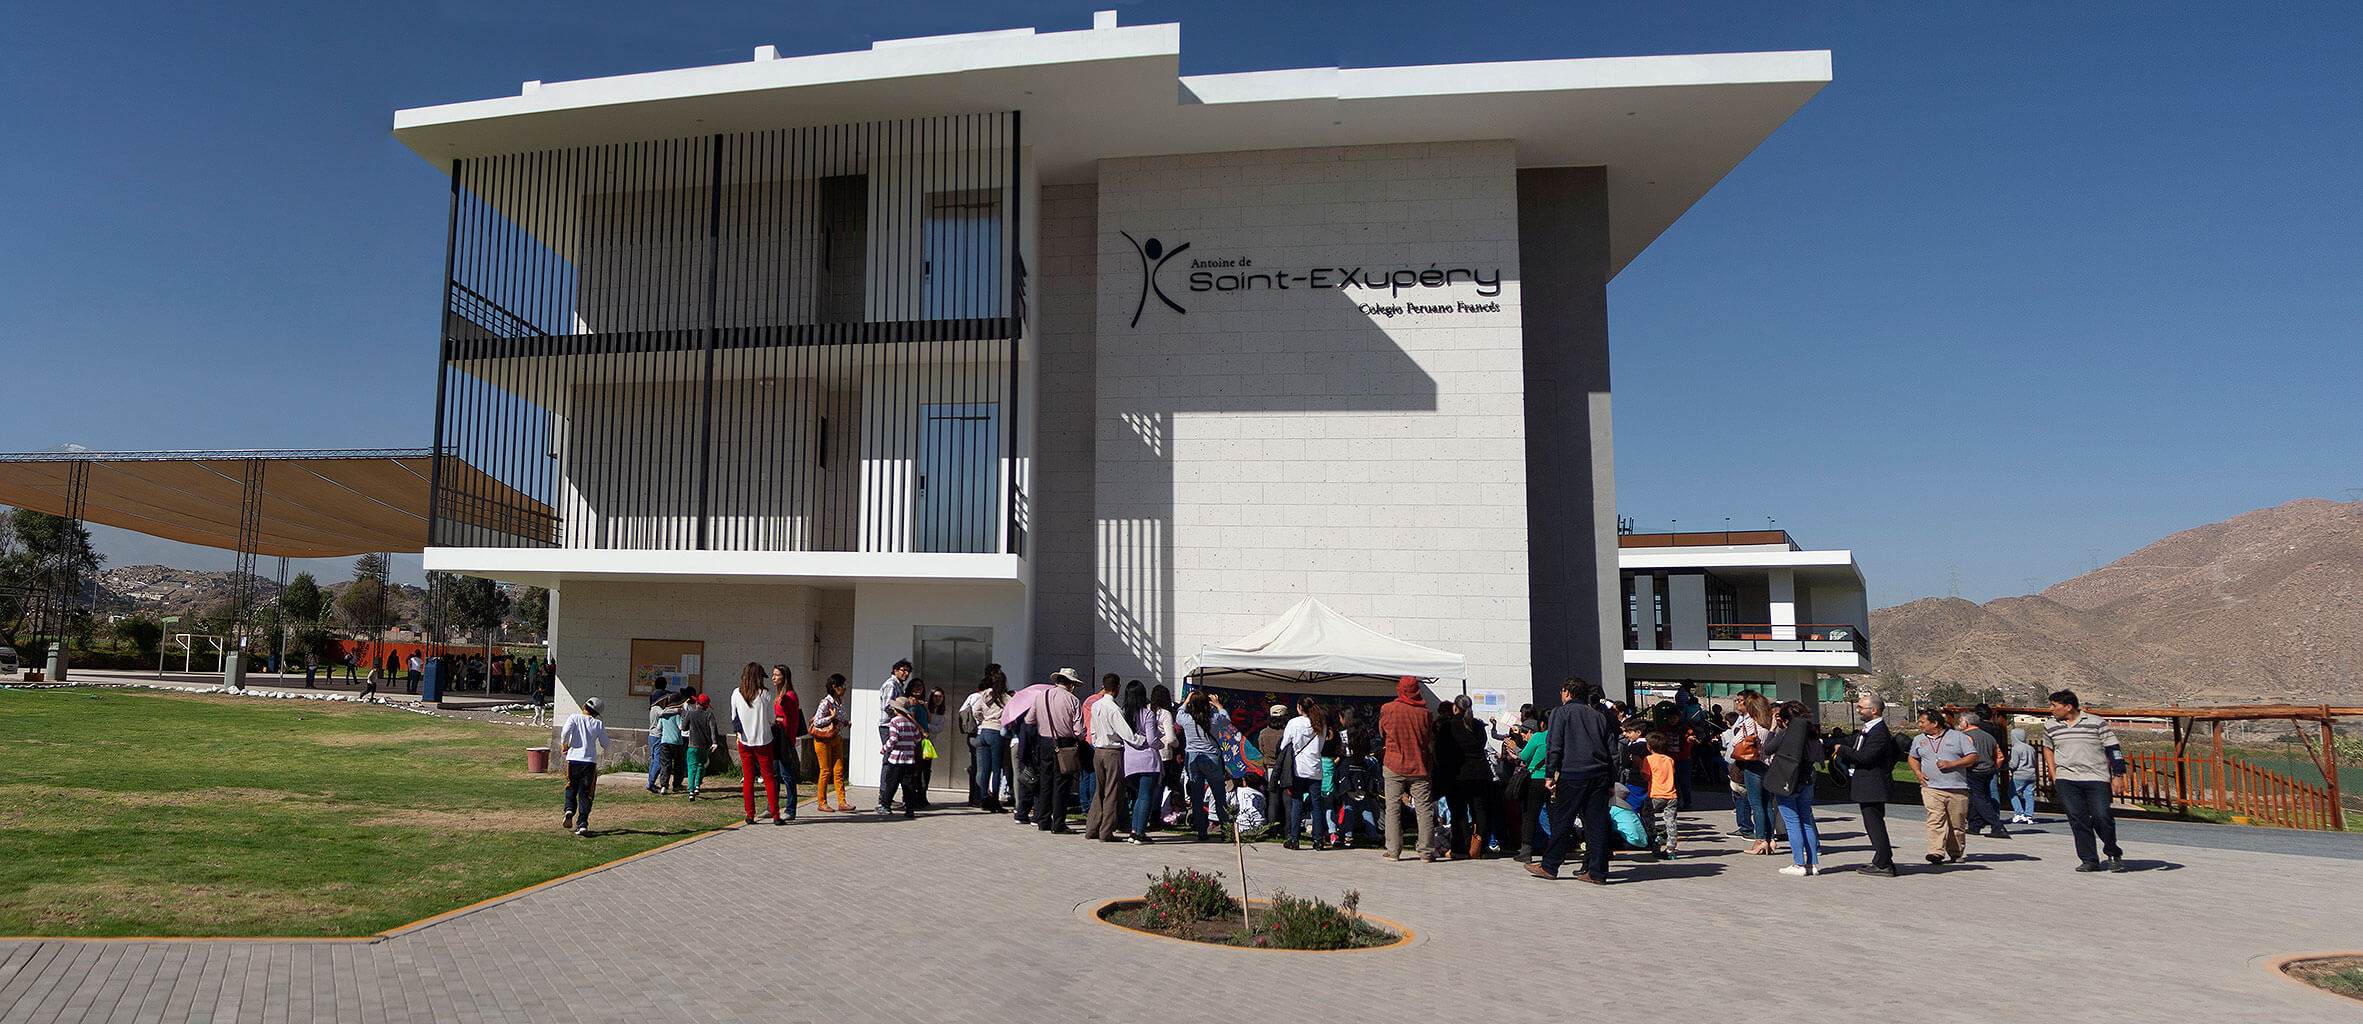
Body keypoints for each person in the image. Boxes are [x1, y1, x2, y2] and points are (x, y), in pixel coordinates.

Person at [1526, 678, 1618, 884]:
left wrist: (1550, 774)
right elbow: (1612, 752)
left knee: (1562, 820)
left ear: (1567, 692)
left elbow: (1555, 745)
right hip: (1600, 775)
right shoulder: (1598, 716)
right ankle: (1597, 872)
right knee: (1597, 824)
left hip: (1573, 774)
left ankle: (1550, 866)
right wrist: (1612, 781)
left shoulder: (1561, 712)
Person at [2042, 689, 2130, 873]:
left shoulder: (2096, 723)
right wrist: (2054, 773)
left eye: (2054, 706)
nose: (2051, 709)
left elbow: (2113, 750)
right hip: (2067, 779)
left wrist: (2118, 775)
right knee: (2077, 818)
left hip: (2096, 778)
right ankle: (2089, 859)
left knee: (2101, 815)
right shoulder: (2050, 726)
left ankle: (2112, 851)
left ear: (2068, 707)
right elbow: (2048, 749)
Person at [1831, 693, 1902, 876]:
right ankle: (1881, 860)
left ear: (1874, 710)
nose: (1858, 710)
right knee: (1872, 824)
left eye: (1861, 707)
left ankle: (1884, 862)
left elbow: (1865, 757)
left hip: (1873, 786)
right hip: (1866, 785)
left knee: (1875, 824)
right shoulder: (1868, 729)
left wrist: (1843, 750)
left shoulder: (1879, 732)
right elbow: (1853, 742)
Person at [1376, 677, 1438, 862]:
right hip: (1419, 765)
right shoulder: (1425, 714)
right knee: (1424, 808)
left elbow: (1382, 733)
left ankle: (1393, 851)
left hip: (1394, 763)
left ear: (1400, 690)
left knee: (1392, 808)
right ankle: (1426, 852)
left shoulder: (1388, 709)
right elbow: (1429, 738)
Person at [1909, 708, 1978, 865]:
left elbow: (1973, 757)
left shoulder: (1958, 737)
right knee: (1935, 819)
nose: (1920, 725)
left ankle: (1956, 852)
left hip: (1957, 788)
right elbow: (1912, 757)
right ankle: (1936, 852)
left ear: (1935, 723)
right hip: (1931, 788)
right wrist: (1918, 773)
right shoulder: (1919, 739)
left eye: (1922, 722)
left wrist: (1952, 764)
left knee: (1957, 823)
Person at [1763, 700, 1823, 876]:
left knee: (1792, 822)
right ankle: (1812, 863)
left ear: (1786, 719)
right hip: (1806, 780)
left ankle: (1798, 864)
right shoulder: (1811, 732)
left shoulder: (1786, 733)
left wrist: (1774, 729)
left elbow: (1768, 749)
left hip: (1788, 780)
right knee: (1806, 820)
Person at [1084, 678, 1148, 842]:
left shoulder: (1096, 705)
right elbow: (1126, 734)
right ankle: (1106, 831)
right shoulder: (1114, 709)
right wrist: (1142, 740)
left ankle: (1092, 828)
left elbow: (1093, 730)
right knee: (1112, 792)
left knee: (1099, 790)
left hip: (1098, 750)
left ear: (1103, 687)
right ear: (1118, 687)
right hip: (1113, 751)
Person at [1437, 695, 1495, 859]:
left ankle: (1460, 848)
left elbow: (1440, 752)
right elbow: (1482, 744)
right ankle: (1480, 848)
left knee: (1458, 812)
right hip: (1481, 773)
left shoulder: (1449, 726)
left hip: (1458, 775)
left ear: (1455, 707)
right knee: (1480, 812)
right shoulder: (1477, 725)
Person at [1030, 668, 1086, 833]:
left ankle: (1043, 819)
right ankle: (1059, 822)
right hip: (1065, 743)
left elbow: (1030, 719)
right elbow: (1079, 731)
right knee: (1062, 783)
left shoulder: (1041, 696)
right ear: (1070, 684)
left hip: (1044, 741)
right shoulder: (1073, 700)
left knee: (1046, 782)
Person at [730, 663, 785, 826]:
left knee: (748, 778)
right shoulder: (766, 694)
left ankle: (750, 814)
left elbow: (734, 716)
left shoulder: (736, 693)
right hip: (764, 740)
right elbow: (771, 719)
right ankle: (776, 815)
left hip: (745, 741)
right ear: (759, 677)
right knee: (769, 778)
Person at [1725, 691, 1779, 856]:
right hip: (1769, 765)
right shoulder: (1770, 723)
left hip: (1753, 764)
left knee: (1756, 804)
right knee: (1767, 804)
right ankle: (1770, 839)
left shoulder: (1751, 723)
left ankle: (1760, 839)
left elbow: (1735, 742)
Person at [1176, 689, 1235, 841]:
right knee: (1220, 796)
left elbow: (1178, 715)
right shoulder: (1213, 718)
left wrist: (1187, 701)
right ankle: (1226, 832)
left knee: (1196, 796)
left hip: (1193, 758)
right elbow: (1227, 719)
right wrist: (1218, 704)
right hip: (1211, 758)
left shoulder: (1187, 719)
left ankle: (1202, 831)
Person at [1278, 697, 1332, 851]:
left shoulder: (1294, 723)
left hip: (1298, 768)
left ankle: (1294, 839)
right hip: (1315, 768)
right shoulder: (1321, 724)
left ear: (1300, 707)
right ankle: (1318, 840)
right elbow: (1320, 746)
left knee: (1297, 802)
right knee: (1316, 804)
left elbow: (1284, 744)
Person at [1123, 682, 1168, 844]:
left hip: (1129, 761)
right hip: (1148, 761)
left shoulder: (1123, 714)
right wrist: (1160, 744)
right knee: (1145, 797)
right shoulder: (1147, 714)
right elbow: (1151, 739)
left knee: (1138, 798)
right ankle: (1140, 832)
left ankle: (1134, 830)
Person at [558, 696, 607, 837]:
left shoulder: (574, 718)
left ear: (584, 706)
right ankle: (582, 823)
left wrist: (565, 745)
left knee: (571, 785)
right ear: (597, 714)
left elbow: (565, 732)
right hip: (589, 762)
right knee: (586, 793)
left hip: (573, 759)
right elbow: (606, 742)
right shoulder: (598, 724)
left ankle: (569, 809)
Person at [1958, 710, 2010, 839]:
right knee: (1980, 797)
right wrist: (1994, 768)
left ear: (1965, 723)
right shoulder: (1988, 736)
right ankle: (1974, 826)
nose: (1959, 724)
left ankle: (1997, 825)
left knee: (1978, 799)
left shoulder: (1965, 737)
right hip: (1988, 770)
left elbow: (1965, 754)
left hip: (1973, 770)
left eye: (1960, 721)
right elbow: (1999, 756)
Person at [810, 675, 853, 812]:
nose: (845, 689)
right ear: (835, 687)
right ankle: (822, 802)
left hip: (836, 737)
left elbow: (839, 718)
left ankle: (842, 802)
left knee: (839, 770)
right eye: (843, 686)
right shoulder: (825, 702)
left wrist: (845, 722)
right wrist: (831, 717)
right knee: (825, 770)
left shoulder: (839, 701)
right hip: (823, 739)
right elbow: (816, 721)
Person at [875, 659, 913, 811]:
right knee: (889, 761)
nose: (905, 673)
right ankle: (883, 797)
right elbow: (887, 706)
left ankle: (887, 796)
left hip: (894, 724)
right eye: (903, 670)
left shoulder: (899, 685)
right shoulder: (891, 684)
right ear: (895, 670)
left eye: (907, 671)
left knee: (895, 763)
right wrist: (901, 715)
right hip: (888, 725)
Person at [970, 673, 1011, 814]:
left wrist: (983, 720)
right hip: (997, 731)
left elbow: (976, 711)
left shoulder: (985, 695)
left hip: (984, 731)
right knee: (996, 768)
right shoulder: (1006, 698)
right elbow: (1011, 715)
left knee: (985, 768)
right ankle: (994, 802)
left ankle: (984, 798)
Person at [878, 697, 923, 819]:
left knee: (891, 783)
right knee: (908, 785)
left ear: (897, 709)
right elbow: (918, 738)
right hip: (909, 759)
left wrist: (884, 748)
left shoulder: (894, 722)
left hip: (896, 759)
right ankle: (909, 809)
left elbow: (893, 739)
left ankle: (886, 805)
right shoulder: (911, 723)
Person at [770, 665, 804, 821]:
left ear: (784, 677)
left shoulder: (790, 696)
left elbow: (791, 721)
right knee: (774, 774)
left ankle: (790, 809)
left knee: (787, 775)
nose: (773, 678)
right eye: (773, 674)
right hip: (777, 737)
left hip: (785, 739)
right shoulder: (778, 695)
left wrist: (778, 720)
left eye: (777, 675)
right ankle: (772, 806)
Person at [1513, 720, 1550, 862]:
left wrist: (1515, 749)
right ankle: (1557, 850)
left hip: (1536, 779)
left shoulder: (1538, 737)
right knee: (1553, 816)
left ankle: (1526, 851)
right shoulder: (1560, 736)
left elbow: (1525, 756)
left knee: (1530, 816)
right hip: (1554, 779)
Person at [1642, 732, 1680, 859]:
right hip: (1671, 794)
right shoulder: (1669, 760)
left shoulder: (1648, 760)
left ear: (1649, 747)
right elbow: (1672, 773)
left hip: (1654, 794)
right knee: (1670, 821)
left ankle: (1654, 841)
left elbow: (1646, 776)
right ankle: (1671, 848)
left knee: (1648, 816)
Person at [681, 692, 719, 800]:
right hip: (705, 745)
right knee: (701, 765)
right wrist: (714, 742)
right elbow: (713, 729)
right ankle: (698, 784)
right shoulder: (709, 715)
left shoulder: (690, 713)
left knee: (691, 767)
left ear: (697, 703)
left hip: (693, 744)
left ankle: (691, 790)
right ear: (706, 706)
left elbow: (684, 728)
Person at [654, 689, 687, 794]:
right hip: (677, 742)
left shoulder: (663, 715)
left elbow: (658, 728)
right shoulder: (677, 715)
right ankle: (676, 785)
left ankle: (664, 786)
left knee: (665, 765)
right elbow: (681, 727)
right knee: (678, 765)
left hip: (665, 742)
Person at [2007, 726, 2040, 824]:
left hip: (2019, 774)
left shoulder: (2016, 748)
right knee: (2028, 794)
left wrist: (2005, 766)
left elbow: (2013, 764)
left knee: (2012, 793)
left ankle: (2019, 813)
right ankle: (2029, 815)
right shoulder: (2030, 748)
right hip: (2031, 774)